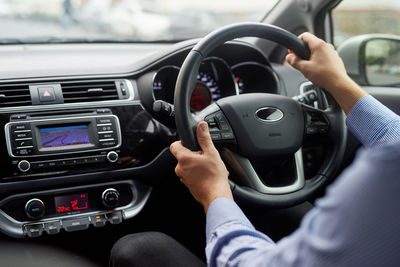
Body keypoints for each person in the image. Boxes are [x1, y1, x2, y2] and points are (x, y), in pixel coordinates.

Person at [110, 33, 400, 267]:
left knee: (137, 248)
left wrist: (214, 191)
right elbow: (393, 139)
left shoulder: (386, 172)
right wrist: (337, 82)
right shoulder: (391, 163)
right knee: (280, 217)